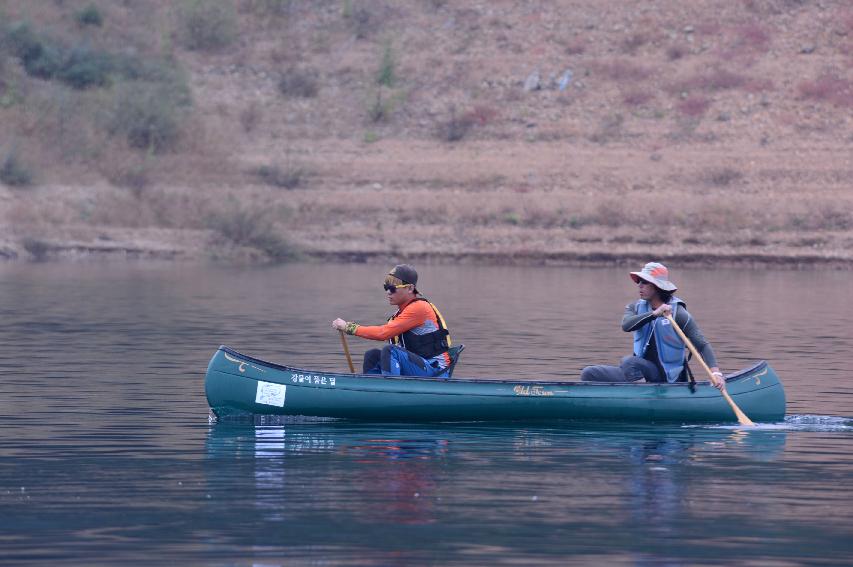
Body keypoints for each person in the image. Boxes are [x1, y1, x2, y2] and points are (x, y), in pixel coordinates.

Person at [580, 262, 725, 390]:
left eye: (644, 282)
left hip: (667, 377)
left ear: (656, 286)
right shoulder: (634, 307)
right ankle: (632, 393)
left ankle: (642, 396)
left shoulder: (678, 313)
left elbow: (702, 345)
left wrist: (715, 373)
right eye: (639, 281)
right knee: (589, 373)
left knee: (628, 362)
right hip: (639, 371)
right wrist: (655, 314)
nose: (639, 285)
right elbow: (626, 325)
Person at [331, 264, 453, 378]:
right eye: (386, 288)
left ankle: (390, 389)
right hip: (420, 366)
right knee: (372, 355)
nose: (388, 292)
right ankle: (372, 389)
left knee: (390, 351)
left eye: (393, 288)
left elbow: (383, 333)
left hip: (436, 371)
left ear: (410, 288)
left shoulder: (419, 308)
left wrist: (349, 327)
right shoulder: (399, 314)